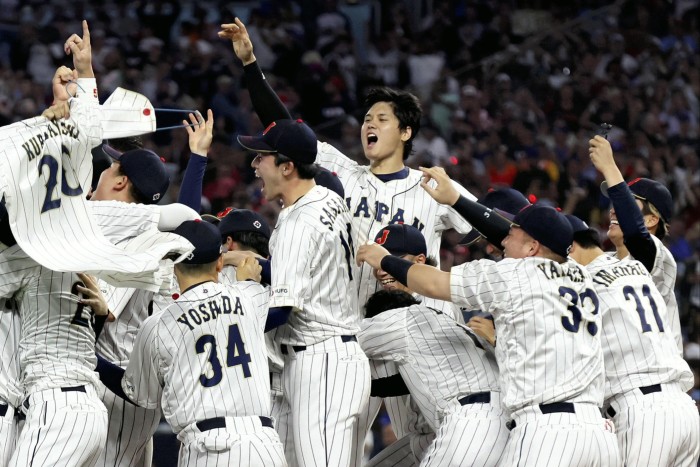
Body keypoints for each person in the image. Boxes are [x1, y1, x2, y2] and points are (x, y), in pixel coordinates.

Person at [218, 18, 477, 309]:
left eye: (381, 120)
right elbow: (284, 130)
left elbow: (489, 227)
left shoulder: (433, 186)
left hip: (422, 320)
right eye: (367, 120)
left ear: (406, 132)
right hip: (358, 322)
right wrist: (251, 64)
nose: (370, 125)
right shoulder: (342, 170)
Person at [357, 204, 620, 467]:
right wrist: (456, 198)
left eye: (511, 234)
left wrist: (383, 258)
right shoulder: (581, 275)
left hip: (547, 430)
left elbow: (432, 283)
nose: (503, 240)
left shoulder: (513, 274)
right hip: (599, 432)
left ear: (532, 248)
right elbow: (539, 242)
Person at [96, 220, 287, 466]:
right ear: (219, 262)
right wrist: (242, 268)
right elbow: (280, 278)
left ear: (173, 264)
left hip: (210, 449)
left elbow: (134, 392)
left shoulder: (158, 325)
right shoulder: (249, 296)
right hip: (265, 445)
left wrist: (93, 360)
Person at [237, 118, 371, 466]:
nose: (254, 166)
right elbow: (311, 268)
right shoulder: (328, 197)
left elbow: (282, 311)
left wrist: (231, 328)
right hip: (335, 355)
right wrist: (261, 265)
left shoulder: (298, 222)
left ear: (287, 166)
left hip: (322, 360)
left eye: (260, 158)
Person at [566, 214, 699, 466]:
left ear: (571, 247)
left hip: (641, 409)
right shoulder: (636, 268)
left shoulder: (585, 282)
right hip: (683, 407)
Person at [359, 289, 507, 466]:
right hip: (494, 419)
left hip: (472, 421)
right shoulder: (445, 326)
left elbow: (344, 342)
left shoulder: (402, 317)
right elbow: (405, 382)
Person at [589, 135, 682, 353]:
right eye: (617, 204)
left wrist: (610, 167)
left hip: (661, 381)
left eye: (628, 204)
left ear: (651, 220)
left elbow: (637, 236)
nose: (614, 209)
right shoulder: (601, 262)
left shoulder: (660, 259)